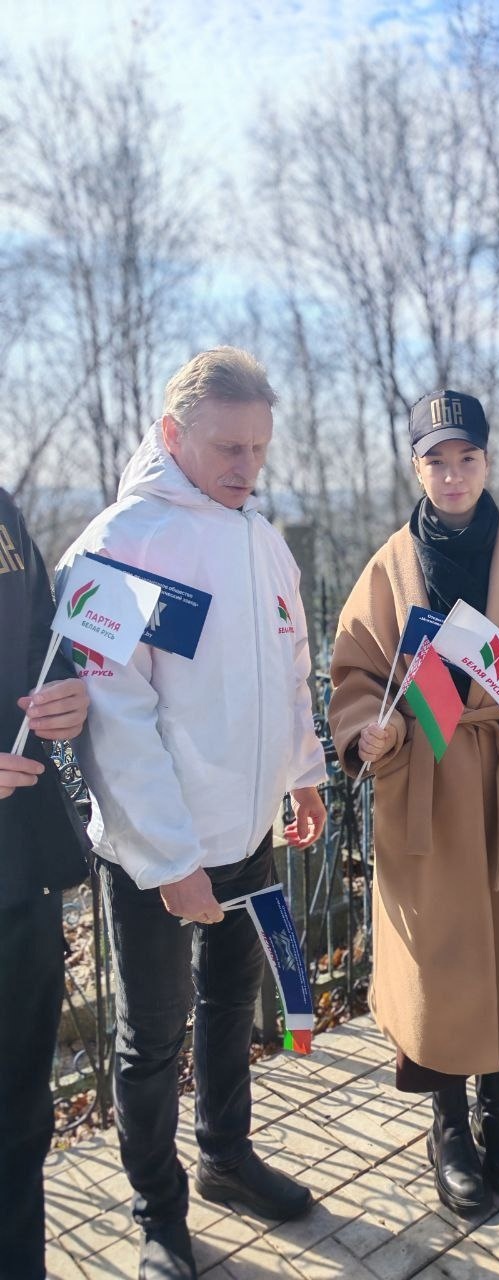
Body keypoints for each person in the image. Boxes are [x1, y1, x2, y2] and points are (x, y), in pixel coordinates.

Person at [58, 348, 328, 1280]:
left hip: (247, 830)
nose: (247, 467)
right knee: (150, 1036)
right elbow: (114, 719)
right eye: (228, 447)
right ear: (173, 435)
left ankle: (225, 1157)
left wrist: (302, 773)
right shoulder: (117, 544)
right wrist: (171, 859)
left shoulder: (261, 539)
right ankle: (157, 1211)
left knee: (229, 1003)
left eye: (259, 448)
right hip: (156, 853)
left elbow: (291, 664)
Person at [328, 389, 499, 1217]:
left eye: (466, 458)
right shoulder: (388, 568)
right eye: (435, 461)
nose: (452, 475)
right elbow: (355, 675)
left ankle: (496, 1108)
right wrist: (369, 732)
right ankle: (446, 1120)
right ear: (416, 467)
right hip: (425, 780)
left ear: (486, 460)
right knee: (440, 953)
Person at [0, 490, 91, 1280]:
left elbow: (39, 636)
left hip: (19, 872)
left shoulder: (2, 510)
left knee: (21, 1118)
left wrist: (65, 690)